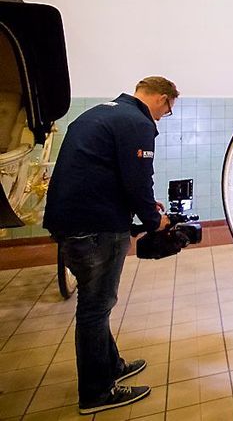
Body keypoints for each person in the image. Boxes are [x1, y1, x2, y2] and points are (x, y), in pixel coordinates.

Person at [43, 77, 177, 414]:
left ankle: (111, 365)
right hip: (96, 227)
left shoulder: (98, 113)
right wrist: (152, 220)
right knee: (95, 307)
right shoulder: (137, 122)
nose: (163, 117)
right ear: (162, 99)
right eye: (167, 110)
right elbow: (137, 178)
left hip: (71, 222)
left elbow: (105, 173)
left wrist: (146, 208)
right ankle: (96, 393)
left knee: (96, 300)